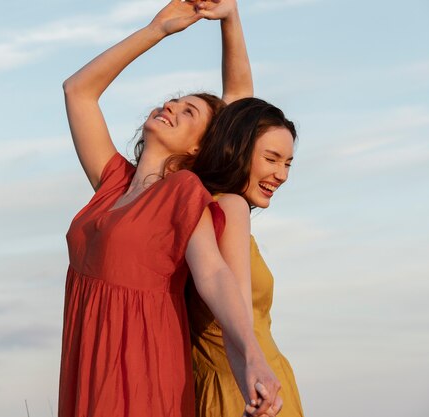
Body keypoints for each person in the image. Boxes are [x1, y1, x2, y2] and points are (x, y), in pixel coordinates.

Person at [59, 1, 280, 416]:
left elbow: (214, 274)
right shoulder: (111, 183)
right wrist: (156, 29)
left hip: (140, 368)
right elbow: (78, 90)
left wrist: (251, 355)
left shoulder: (185, 191)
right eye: (173, 102)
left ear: (200, 146)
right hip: (86, 362)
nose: (171, 108)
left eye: (188, 111)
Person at [187, 97, 305, 416]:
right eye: (271, 159)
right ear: (237, 149)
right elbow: (236, 312)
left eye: (288, 163)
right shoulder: (229, 207)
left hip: (239, 383)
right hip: (250, 388)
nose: (281, 174)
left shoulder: (190, 204)